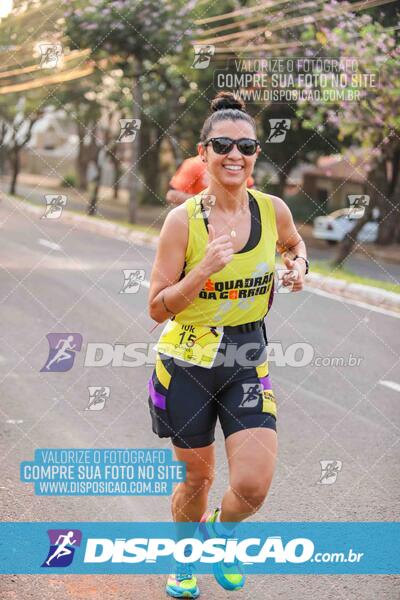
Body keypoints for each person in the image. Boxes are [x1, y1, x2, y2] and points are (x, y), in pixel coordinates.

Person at [147, 91, 309, 599]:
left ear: (257, 153)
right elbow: (156, 307)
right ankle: (184, 560)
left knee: (254, 486)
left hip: (245, 357)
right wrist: (202, 271)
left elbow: (294, 244)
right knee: (195, 482)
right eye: (222, 144)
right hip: (189, 361)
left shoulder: (273, 209)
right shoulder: (183, 222)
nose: (234, 154)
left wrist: (299, 265)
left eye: (246, 145)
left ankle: (219, 533)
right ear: (204, 152)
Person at [166, 154, 255, 206]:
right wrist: (210, 201)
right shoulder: (194, 164)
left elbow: (253, 193)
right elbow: (171, 195)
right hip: (199, 217)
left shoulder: (235, 166)